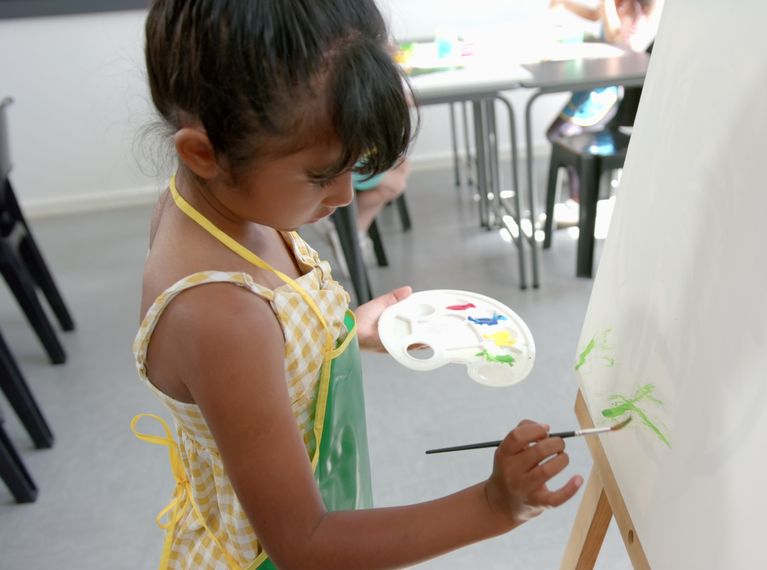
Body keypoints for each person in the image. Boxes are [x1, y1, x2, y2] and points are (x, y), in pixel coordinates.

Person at [133, 2, 582, 568]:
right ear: (205, 153)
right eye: (323, 174)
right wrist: (492, 506)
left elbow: (273, 344)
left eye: (355, 166)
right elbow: (306, 543)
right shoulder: (220, 314)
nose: (346, 194)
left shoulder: (229, 204)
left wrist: (342, 330)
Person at [546, 0, 662, 218]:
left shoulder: (637, 10)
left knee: (561, 135)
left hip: (604, 95)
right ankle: (579, 197)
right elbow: (593, 15)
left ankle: (579, 199)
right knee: (559, 136)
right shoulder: (618, 4)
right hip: (593, 87)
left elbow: (614, 34)